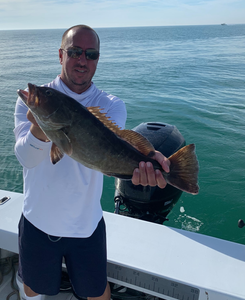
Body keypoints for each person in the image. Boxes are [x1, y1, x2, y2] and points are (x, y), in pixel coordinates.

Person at [14, 25, 170, 300]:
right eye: (74, 52)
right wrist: (40, 124)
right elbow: (27, 158)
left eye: (91, 54)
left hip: (86, 226)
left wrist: (146, 161)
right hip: (37, 221)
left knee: (97, 293)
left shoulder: (110, 104)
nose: (82, 60)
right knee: (33, 289)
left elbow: (108, 149)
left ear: (98, 59)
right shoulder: (34, 101)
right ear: (61, 54)